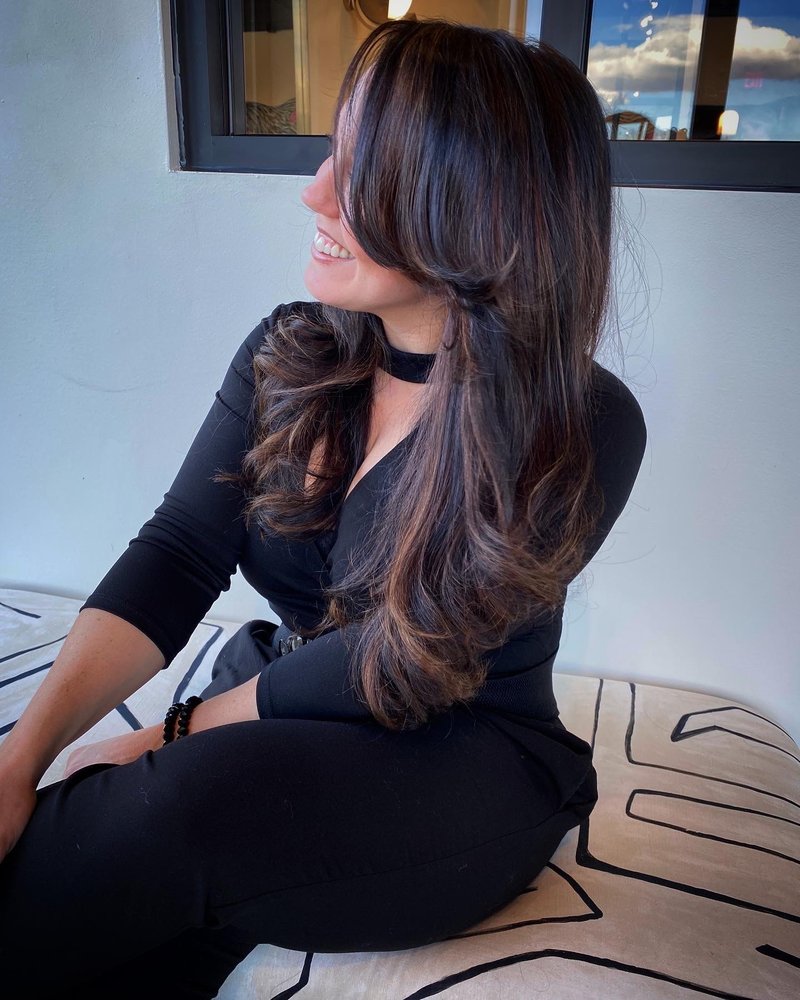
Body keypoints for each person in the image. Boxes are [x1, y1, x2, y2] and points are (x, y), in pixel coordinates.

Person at [0, 18, 647, 999]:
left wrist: (170, 734)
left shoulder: (580, 421)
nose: (314, 190)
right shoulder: (293, 353)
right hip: (289, 701)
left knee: (174, 806)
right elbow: (179, 551)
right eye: (332, 149)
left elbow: (402, 657)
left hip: (460, 760)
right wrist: (22, 759)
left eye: (364, 167)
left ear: (479, 204)